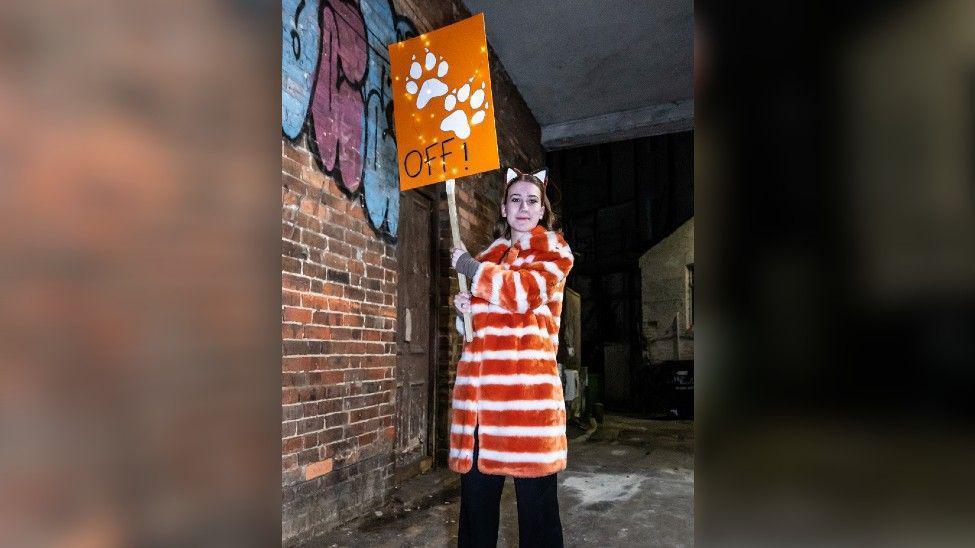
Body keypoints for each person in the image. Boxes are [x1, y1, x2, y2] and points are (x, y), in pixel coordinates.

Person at [448, 166, 574, 547]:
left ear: (542, 211)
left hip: (526, 404)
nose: (523, 207)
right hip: (480, 405)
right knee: (475, 516)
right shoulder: (491, 256)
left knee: (538, 520)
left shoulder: (554, 252)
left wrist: (469, 268)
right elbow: (478, 333)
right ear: (503, 208)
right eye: (515, 199)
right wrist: (464, 313)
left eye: (532, 201)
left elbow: (522, 294)